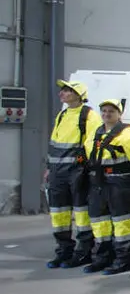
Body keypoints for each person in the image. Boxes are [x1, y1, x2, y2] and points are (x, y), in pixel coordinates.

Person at [84, 99, 130, 275]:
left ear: (119, 114)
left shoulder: (128, 134)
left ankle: (124, 259)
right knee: (99, 221)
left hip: (119, 180)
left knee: (122, 221)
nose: (107, 114)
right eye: (104, 111)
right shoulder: (96, 132)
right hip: (98, 181)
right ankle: (102, 258)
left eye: (111, 111)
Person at [45, 79, 96, 269]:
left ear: (78, 95)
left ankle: (84, 253)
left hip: (77, 171)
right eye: (63, 90)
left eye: (67, 90)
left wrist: (89, 170)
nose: (62, 93)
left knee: (82, 214)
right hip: (58, 172)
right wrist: (49, 169)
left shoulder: (89, 115)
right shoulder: (62, 114)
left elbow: (92, 144)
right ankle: (64, 251)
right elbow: (54, 143)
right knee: (59, 213)